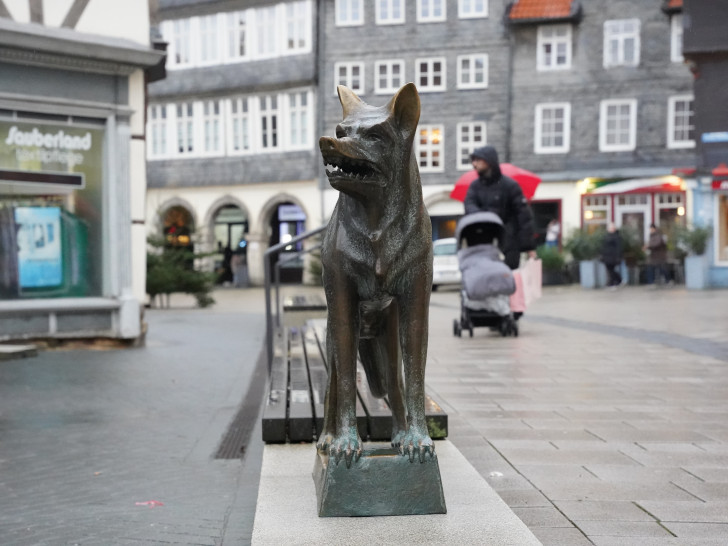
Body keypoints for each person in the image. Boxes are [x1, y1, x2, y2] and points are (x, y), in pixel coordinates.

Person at [464, 146, 536, 270]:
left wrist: (528, 246)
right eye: (473, 160)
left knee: (509, 274)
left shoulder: (510, 186)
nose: (474, 164)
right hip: (484, 239)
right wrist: (484, 217)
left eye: (477, 160)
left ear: (489, 161)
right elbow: (469, 204)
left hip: (509, 241)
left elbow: (523, 216)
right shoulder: (474, 187)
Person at [600, 223, 623, 289]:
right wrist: (602, 254)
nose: (611, 229)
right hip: (606, 256)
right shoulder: (606, 236)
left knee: (611, 270)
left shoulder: (617, 237)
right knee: (609, 270)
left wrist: (618, 257)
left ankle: (612, 282)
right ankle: (616, 281)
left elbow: (618, 248)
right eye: (610, 228)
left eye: (612, 228)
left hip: (613, 256)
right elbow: (603, 246)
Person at [645, 223, 668, 288]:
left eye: (651, 228)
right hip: (654, 257)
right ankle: (651, 282)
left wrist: (648, 246)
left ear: (654, 229)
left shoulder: (658, 235)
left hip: (659, 256)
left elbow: (657, 244)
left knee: (662, 269)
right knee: (650, 268)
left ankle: (668, 280)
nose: (650, 230)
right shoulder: (652, 236)